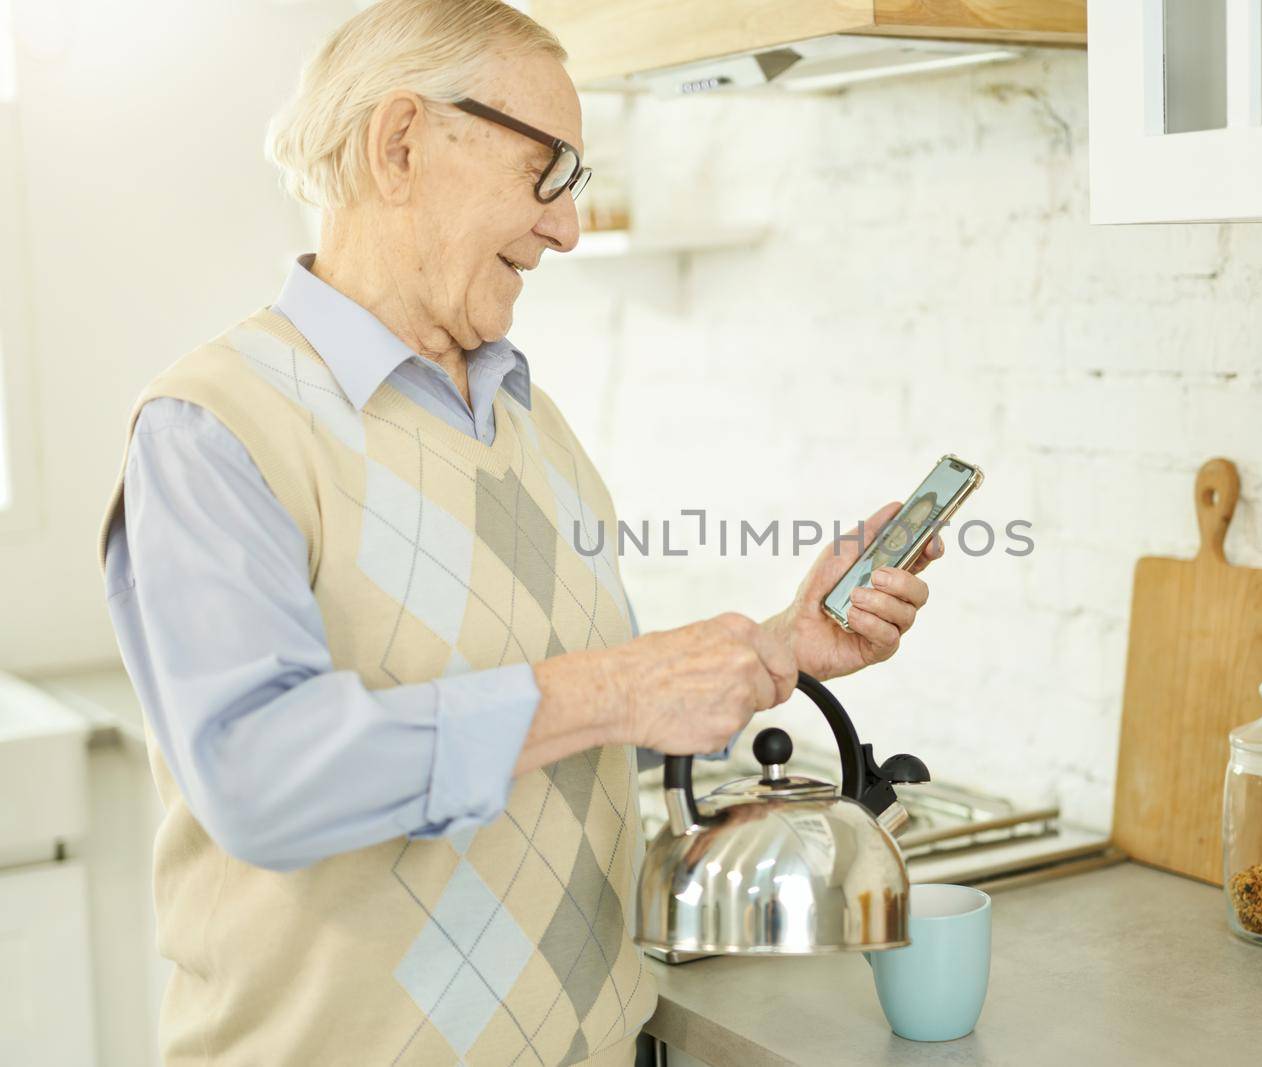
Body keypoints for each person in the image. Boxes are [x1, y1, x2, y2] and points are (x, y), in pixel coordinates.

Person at [97, 2, 941, 1064]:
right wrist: (616, 685)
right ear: (400, 142)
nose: (567, 227)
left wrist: (781, 645)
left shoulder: (529, 419)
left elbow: (561, 717)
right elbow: (264, 780)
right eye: (547, 169)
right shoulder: (214, 427)